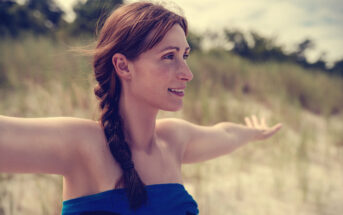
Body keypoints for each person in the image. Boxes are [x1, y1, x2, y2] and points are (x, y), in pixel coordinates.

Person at [0, 1, 283, 215]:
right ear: (123, 65)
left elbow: (227, 134)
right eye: (169, 56)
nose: (187, 73)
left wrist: (253, 133)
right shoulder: (81, 144)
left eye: (185, 55)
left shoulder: (175, 140)